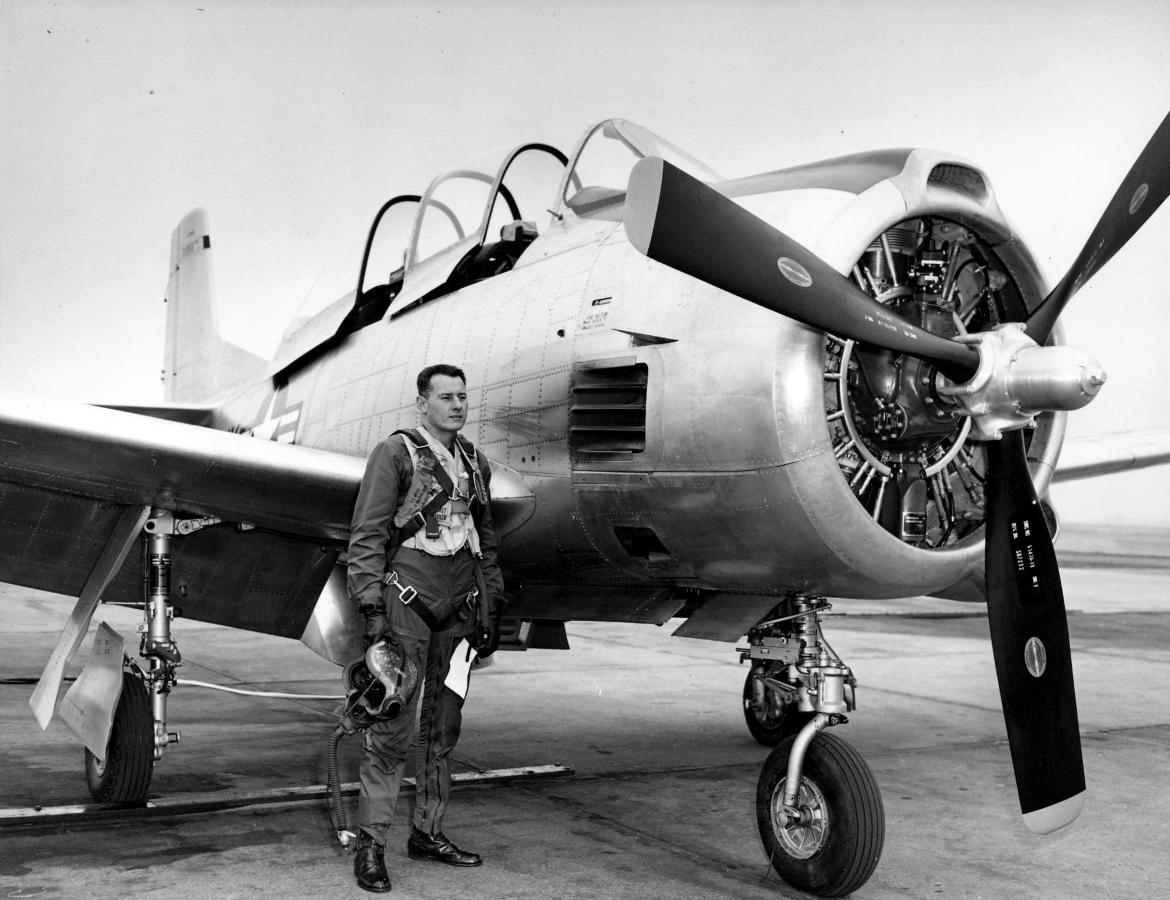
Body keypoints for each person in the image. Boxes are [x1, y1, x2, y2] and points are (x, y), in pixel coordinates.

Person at [346, 363, 505, 893]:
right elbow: (366, 535)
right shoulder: (396, 453)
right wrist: (372, 613)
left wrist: (492, 609)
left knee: (443, 728)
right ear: (423, 403)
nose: (457, 405)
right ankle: (371, 846)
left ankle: (428, 833)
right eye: (445, 397)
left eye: (463, 396)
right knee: (393, 728)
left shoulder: (475, 463)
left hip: (458, 609)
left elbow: (486, 541)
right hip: (407, 605)